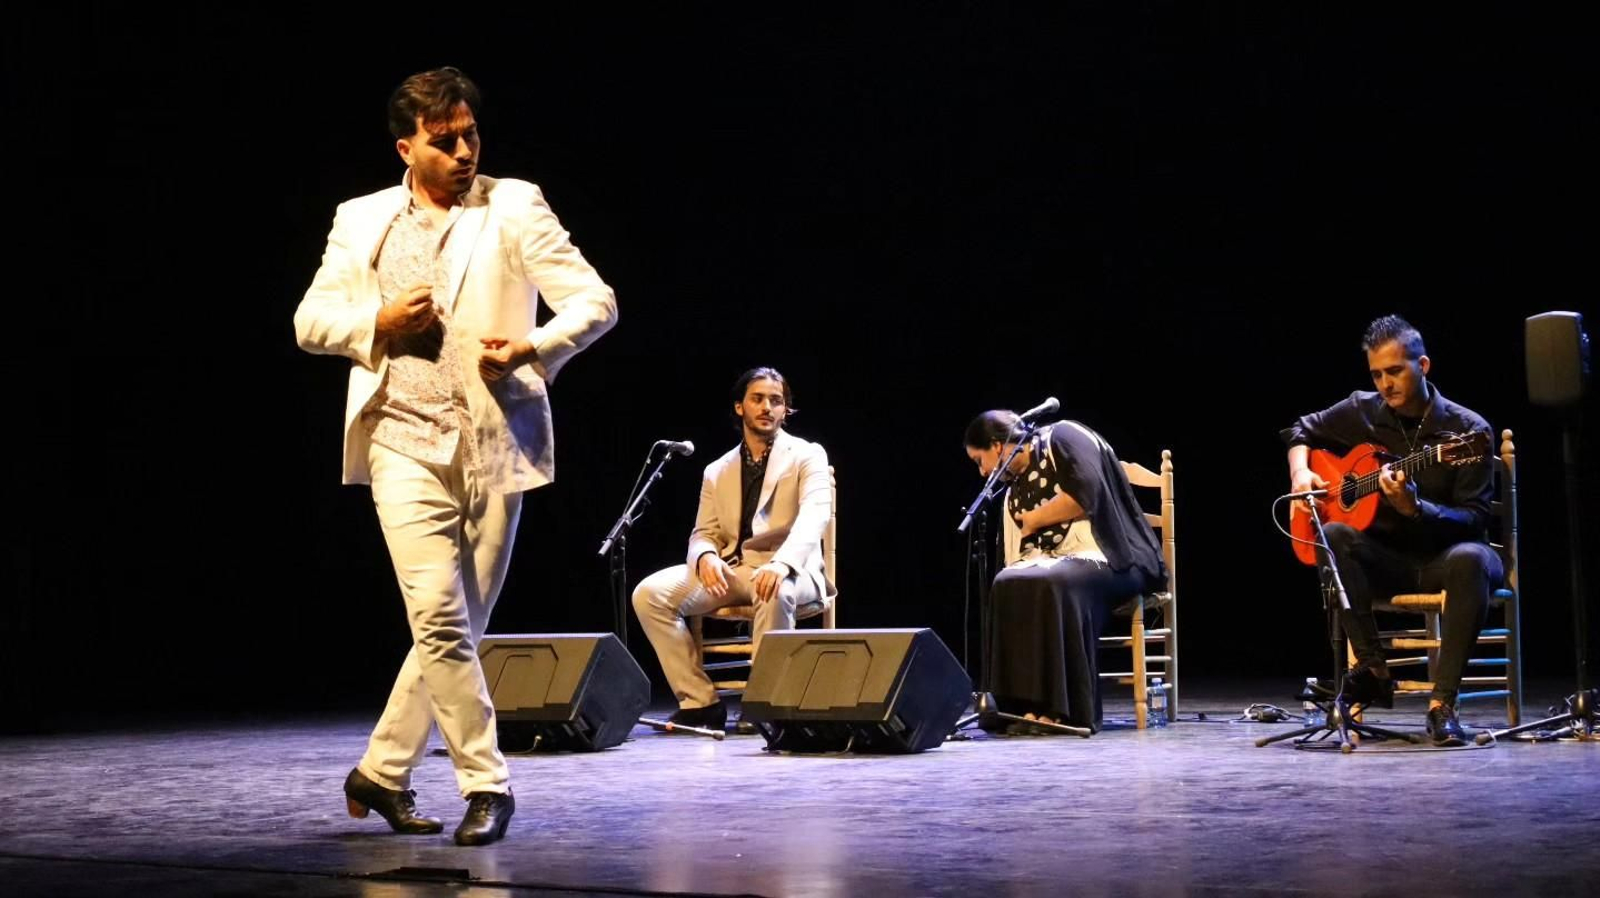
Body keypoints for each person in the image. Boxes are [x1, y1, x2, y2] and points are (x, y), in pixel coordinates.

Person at [294, 67, 617, 844]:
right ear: (407, 147)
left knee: (458, 628)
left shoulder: (513, 203)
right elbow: (311, 321)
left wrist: (535, 345)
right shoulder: (363, 218)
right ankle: (488, 783)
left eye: (472, 135)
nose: (466, 150)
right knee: (439, 617)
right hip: (402, 439)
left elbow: (596, 301)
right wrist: (379, 319)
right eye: (445, 142)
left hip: (494, 443)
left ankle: (379, 771)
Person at [1282, 314, 1499, 747]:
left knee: (1472, 558)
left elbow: (1475, 519)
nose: (1385, 383)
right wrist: (1301, 472)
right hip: (1389, 559)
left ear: (1423, 366)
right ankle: (1374, 670)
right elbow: (1299, 428)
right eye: (1377, 374)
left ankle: (1443, 707)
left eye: (1395, 371)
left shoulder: (1467, 432)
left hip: (1449, 558)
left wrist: (1418, 509)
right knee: (1336, 535)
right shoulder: (1364, 409)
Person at [632, 368, 834, 730]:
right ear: (740, 407)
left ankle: (765, 703)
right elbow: (702, 532)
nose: (767, 408)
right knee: (649, 594)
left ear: (786, 410)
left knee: (774, 588)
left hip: (793, 571)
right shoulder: (717, 470)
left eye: (776, 401)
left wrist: (783, 564)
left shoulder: (806, 455)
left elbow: (815, 515)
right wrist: (706, 556)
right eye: (758, 399)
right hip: (735, 570)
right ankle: (699, 702)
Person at [963, 411, 1166, 733]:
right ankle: (1020, 708)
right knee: (1007, 581)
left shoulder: (1063, 436)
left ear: (997, 445)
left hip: (1115, 557)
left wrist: (1034, 520)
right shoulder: (1015, 483)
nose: (983, 471)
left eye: (980, 460)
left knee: (1054, 582)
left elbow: (1089, 493)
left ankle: (1064, 712)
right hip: (1057, 563)